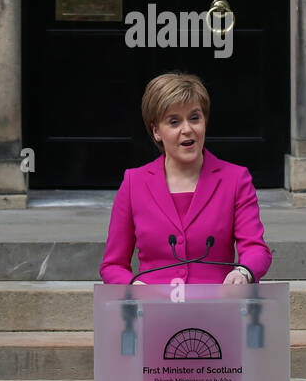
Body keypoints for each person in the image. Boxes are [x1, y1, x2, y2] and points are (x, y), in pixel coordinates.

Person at [100, 71, 272, 285]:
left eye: (194, 118)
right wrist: (132, 287)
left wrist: (243, 272)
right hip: (154, 311)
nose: (187, 129)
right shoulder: (134, 183)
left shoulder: (236, 179)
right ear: (156, 131)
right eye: (174, 122)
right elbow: (112, 265)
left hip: (216, 309)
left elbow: (256, 249)